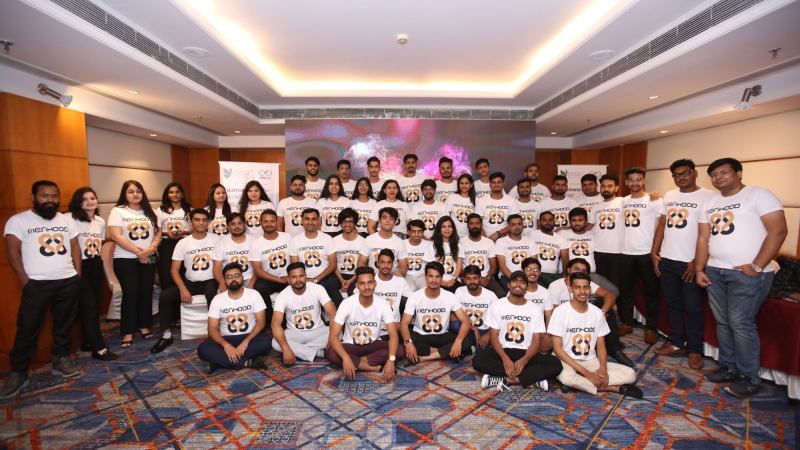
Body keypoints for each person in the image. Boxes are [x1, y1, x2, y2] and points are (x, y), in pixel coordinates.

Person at [696, 157, 787, 398]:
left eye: (723, 172)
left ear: (738, 173)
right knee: (723, 322)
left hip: (747, 274)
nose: (717, 177)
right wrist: (700, 268)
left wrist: (757, 266)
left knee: (740, 323)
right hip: (715, 271)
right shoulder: (709, 202)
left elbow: (778, 231)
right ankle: (729, 367)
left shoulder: (759, 195)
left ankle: (748, 377)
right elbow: (704, 238)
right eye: (713, 174)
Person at [1, 181, 82, 400]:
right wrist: (24, 279)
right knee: (27, 327)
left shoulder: (66, 220)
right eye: (45, 196)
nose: (50, 200)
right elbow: (12, 251)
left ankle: (61, 358)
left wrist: (77, 274)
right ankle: (19, 372)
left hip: (67, 281)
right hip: (36, 284)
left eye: (54, 196)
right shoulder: (19, 221)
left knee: (64, 324)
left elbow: (75, 246)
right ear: (34, 197)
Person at [650, 159, 713, 370]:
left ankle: (694, 349)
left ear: (695, 173)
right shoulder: (670, 195)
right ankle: (677, 343)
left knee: (693, 308)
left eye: (685, 173)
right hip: (667, 260)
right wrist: (654, 253)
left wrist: (697, 262)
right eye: (676, 175)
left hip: (690, 263)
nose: (681, 178)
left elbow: (710, 234)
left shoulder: (709, 197)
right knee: (673, 304)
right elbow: (662, 226)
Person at [548, 272, 642, 398]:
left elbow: (601, 346)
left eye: (586, 287)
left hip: (590, 360)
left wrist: (603, 369)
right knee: (568, 378)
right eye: (578, 287)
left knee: (630, 374)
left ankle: (580, 383)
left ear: (590, 289)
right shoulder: (560, 312)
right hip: (565, 360)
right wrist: (587, 374)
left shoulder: (597, 313)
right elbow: (557, 349)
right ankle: (614, 388)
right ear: (571, 289)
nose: (582, 291)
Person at [473, 271, 562, 392]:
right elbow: (493, 336)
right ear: (508, 285)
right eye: (515, 281)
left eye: (522, 282)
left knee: (556, 364)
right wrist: (505, 359)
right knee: (478, 360)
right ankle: (532, 379)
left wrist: (525, 360)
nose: (518, 285)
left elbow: (536, 340)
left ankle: (505, 379)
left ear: (526, 287)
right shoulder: (497, 305)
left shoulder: (534, 309)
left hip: (526, 352)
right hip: (503, 350)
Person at [152, 208, 219, 353]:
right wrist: (183, 289)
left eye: (204, 220)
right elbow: (174, 270)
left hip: (211, 280)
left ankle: (215, 335)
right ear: (190, 222)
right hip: (190, 282)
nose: (201, 223)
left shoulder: (217, 240)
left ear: (208, 222)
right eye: (197, 220)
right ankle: (166, 335)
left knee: (213, 295)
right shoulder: (183, 243)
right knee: (165, 296)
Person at [546, 258, 633, 367]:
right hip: (565, 322)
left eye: (583, 271)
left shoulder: (586, 283)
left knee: (604, 308)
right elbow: (554, 312)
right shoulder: (555, 285)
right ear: (568, 270)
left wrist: (603, 312)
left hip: (585, 319)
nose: (579, 272)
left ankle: (615, 350)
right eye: (576, 269)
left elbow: (609, 295)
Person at [107, 180, 161, 349]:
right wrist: (140, 252)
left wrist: (151, 248)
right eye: (131, 191)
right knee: (131, 292)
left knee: (146, 291)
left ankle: (144, 325)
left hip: (148, 257)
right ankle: (128, 331)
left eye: (138, 191)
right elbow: (116, 236)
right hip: (125, 259)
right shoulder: (117, 211)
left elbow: (158, 233)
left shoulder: (150, 211)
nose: (135, 194)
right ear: (125, 194)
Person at [326, 267, 403, 381]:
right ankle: (374, 368)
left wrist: (391, 360)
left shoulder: (383, 304)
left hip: (373, 344)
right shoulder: (347, 303)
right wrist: (346, 358)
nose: (367, 287)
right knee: (331, 352)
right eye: (362, 284)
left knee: (399, 350)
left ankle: (358, 363)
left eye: (370, 283)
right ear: (356, 286)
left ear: (375, 283)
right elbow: (333, 337)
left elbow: (393, 335)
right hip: (351, 346)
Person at [67, 187, 117, 361]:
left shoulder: (100, 221)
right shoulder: (70, 219)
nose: (89, 202)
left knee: (94, 305)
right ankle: (99, 348)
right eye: (84, 199)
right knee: (87, 306)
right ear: (78, 203)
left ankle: (87, 341)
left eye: (92, 198)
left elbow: (99, 242)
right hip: (78, 265)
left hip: (95, 263)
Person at [197, 263, 270, 373]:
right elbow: (212, 329)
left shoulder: (254, 294)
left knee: (267, 342)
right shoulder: (217, 299)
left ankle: (218, 362)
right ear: (224, 280)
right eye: (229, 277)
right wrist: (226, 346)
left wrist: (245, 342)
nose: (233, 279)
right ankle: (248, 363)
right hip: (226, 339)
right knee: (203, 349)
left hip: (249, 338)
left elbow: (261, 323)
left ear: (242, 277)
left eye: (237, 276)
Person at [618, 167, 663, 344]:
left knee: (651, 292)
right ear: (626, 182)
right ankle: (627, 322)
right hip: (625, 252)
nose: (635, 183)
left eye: (638, 179)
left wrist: (656, 251)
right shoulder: (623, 201)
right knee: (625, 291)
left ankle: (651, 328)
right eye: (631, 179)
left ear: (644, 181)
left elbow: (662, 225)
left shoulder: (654, 200)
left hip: (646, 253)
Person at [400, 262, 473, 363]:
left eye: (437, 276)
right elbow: (404, 324)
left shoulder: (450, 296)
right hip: (420, 336)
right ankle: (447, 352)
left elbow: (466, 321)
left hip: (442, 336)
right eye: (431, 276)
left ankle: (425, 357)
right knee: (403, 342)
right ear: (426, 277)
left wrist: (458, 341)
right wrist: (408, 343)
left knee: (466, 341)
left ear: (441, 278)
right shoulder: (415, 297)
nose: (434, 280)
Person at [271, 262, 337, 363]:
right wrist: (286, 348)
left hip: (318, 330)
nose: (298, 280)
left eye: (301, 276)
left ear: (306, 276)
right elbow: (275, 325)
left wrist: (331, 340)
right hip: (295, 333)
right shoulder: (283, 296)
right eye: (294, 277)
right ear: (288, 280)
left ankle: (300, 351)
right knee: (275, 342)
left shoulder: (317, 289)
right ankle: (318, 353)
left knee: (339, 334)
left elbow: (333, 314)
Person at [288, 208, 340, 304]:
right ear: (302, 221)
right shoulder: (295, 240)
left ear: (319, 221)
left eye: (314, 219)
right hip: (304, 280)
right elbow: (295, 266)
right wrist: (306, 280)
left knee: (332, 284)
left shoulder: (327, 238)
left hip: (325, 277)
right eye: (307, 219)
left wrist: (316, 279)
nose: (310, 222)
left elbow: (333, 265)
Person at [589, 175, 625, 300]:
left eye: (610, 186)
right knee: (602, 287)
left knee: (618, 286)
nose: (606, 189)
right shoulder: (596, 207)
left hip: (618, 252)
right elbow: (588, 227)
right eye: (603, 186)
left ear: (616, 188)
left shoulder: (623, 202)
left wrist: (651, 195)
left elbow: (639, 198)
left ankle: (619, 311)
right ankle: (604, 310)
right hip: (599, 252)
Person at [250, 209, 292, 310]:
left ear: (276, 222)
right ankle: (269, 316)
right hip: (270, 279)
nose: (269, 224)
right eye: (266, 221)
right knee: (259, 288)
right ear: (260, 223)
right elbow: (258, 271)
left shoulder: (287, 237)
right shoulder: (256, 244)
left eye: (272, 221)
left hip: (288, 277)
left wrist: (290, 276)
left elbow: (295, 259)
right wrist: (279, 279)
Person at [453, 265, 498, 351]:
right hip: (468, 329)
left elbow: (499, 318)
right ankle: (472, 346)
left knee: (494, 338)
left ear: (480, 278)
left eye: (475, 278)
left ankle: (471, 347)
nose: (472, 281)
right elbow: (454, 315)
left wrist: (489, 334)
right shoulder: (459, 291)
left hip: (484, 330)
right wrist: (474, 329)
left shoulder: (491, 295)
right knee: (455, 325)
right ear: (464, 280)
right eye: (468, 279)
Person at [156, 182, 190, 291]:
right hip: (167, 245)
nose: (174, 194)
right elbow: (156, 230)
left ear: (182, 194)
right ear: (167, 195)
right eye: (171, 192)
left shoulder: (189, 209)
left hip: (185, 244)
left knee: (184, 273)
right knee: (166, 274)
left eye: (177, 192)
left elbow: (194, 229)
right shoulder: (161, 210)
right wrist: (166, 233)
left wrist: (183, 232)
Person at [461, 213, 505, 298]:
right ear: (467, 226)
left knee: (501, 294)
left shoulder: (489, 242)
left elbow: (493, 265)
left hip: (486, 278)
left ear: (481, 225)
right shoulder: (461, 242)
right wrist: (470, 278)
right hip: (467, 278)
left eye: (477, 223)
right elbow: (458, 265)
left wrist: (487, 278)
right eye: (471, 223)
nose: (474, 226)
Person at [359, 207, 408, 275]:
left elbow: (403, 269)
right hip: (372, 280)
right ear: (379, 220)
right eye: (385, 218)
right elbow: (361, 263)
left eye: (391, 219)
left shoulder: (400, 242)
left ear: (395, 222)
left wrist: (391, 278)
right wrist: (369, 277)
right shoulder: (369, 239)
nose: (387, 221)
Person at [212, 213, 253, 290]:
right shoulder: (221, 243)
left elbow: (258, 268)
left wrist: (251, 284)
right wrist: (222, 283)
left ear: (244, 224)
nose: (237, 226)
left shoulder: (253, 241)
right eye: (233, 224)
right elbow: (216, 269)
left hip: (249, 278)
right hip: (229, 280)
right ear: (228, 226)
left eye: (240, 223)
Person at [494, 214, 535, 291]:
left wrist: (524, 280)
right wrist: (515, 281)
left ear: (523, 225)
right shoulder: (501, 242)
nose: (517, 227)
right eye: (513, 224)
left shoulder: (530, 242)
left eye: (519, 224)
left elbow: (534, 263)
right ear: (508, 227)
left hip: (527, 278)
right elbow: (502, 265)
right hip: (506, 277)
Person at [530, 211, 569, 287]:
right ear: (539, 222)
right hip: (535, 274)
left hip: (553, 276)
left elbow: (565, 259)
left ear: (554, 222)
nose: (547, 222)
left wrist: (565, 276)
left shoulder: (560, 238)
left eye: (550, 220)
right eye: (544, 220)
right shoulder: (532, 234)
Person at [332, 208, 364, 297]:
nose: (347, 225)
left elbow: (363, 265)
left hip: (356, 275)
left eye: (350, 222)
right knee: (331, 285)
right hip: (338, 275)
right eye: (344, 222)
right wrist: (341, 280)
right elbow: (333, 264)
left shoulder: (363, 241)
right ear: (340, 223)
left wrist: (350, 281)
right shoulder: (334, 241)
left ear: (355, 223)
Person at [522, 258, 552, 351]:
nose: (532, 273)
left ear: (540, 273)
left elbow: (549, 317)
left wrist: (547, 336)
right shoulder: (516, 291)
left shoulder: (545, 292)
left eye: (536, 270)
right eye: (529, 269)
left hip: (539, 332)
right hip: (520, 329)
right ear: (523, 272)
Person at [476, 172, 517, 241]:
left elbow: (514, 223)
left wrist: (498, 234)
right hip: (485, 239)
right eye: (493, 182)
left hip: (505, 240)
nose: (496, 184)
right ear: (490, 184)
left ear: (503, 184)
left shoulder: (511, 201)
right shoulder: (482, 200)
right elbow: (477, 222)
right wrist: (486, 239)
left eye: (499, 182)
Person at [558, 207, 596, 273]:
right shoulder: (561, 234)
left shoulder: (593, 235)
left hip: (590, 274)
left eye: (580, 220)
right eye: (574, 220)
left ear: (586, 221)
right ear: (570, 222)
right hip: (570, 274)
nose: (577, 223)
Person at [431, 216, 463, 292]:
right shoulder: (432, 245)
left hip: (454, 281)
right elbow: (430, 266)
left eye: (449, 226)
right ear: (439, 229)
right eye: (444, 227)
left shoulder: (459, 245)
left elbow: (459, 265)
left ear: (453, 229)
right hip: (436, 281)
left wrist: (453, 279)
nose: (447, 229)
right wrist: (440, 280)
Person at [404, 220, 433, 290]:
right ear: (408, 232)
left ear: (423, 232)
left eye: (419, 231)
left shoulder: (430, 245)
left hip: (423, 277)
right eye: (413, 231)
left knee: (425, 292)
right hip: (406, 277)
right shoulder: (402, 244)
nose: (416, 234)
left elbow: (432, 266)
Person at [447, 173, 477, 238]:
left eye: (466, 183)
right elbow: (447, 217)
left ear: (471, 185)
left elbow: (477, 221)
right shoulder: (452, 197)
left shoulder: (476, 199)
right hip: (453, 235)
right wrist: (453, 233)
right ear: (458, 184)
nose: (464, 186)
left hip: (470, 236)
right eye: (461, 183)